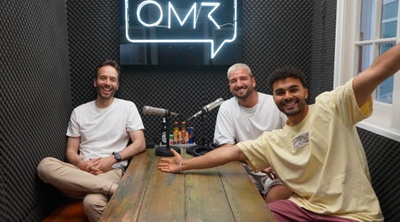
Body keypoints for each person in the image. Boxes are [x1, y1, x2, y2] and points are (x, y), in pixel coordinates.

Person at [159, 43, 400, 221]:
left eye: (293, 89)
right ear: (273, 97)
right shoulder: (275, 140)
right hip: (305, 207)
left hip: (352, 214)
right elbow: (230, 151)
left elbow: (376, 71)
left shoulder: (332, 106)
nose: (287, 96)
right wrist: (184, 166)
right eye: (280, 92)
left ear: (306, 92)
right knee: (259, 215)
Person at [37, 60, 146, 222]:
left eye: (112, 79)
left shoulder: (127, 107)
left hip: (110, 171)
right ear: (95, 82)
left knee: (92, 202)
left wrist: (112, 159)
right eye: (103, 78)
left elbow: (140, 143)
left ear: (118, 85)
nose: (107, 83)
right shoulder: (79, 112)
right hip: (79, 174)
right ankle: (115, 189)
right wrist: (81, 164)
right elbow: (71, 151)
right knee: (44, 166)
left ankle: (106, 187)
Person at [214, 63, 293, 203]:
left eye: (243, 78)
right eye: (233, 81)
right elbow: (226, 149)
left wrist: (278, 163)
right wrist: (256, 163)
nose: (239, 84)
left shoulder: (275, 103)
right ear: (230, 86)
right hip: (245, 170)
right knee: (245, 205)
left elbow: (293, 139)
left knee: (273, 205)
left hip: (277, 170)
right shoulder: (227, 107)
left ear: (253, 81)